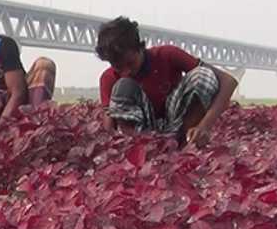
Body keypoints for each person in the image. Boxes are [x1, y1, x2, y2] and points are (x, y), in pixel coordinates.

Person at [96, 16, 238, 147]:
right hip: (143, 134)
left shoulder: (167, 55)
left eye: (130, 63)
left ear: (140, 47)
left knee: (203, 75)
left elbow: (228, 81)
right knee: (123, 86)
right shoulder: (109, 78)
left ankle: (187, 142)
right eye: (119, 67)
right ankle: (141, 148)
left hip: (176, 125)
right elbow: (109, 127)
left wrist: (204, 126)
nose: (126, 71)